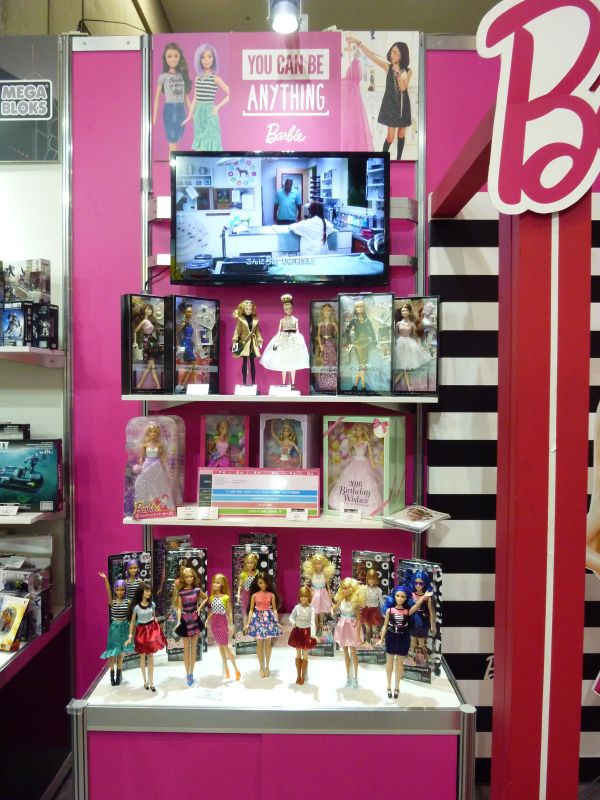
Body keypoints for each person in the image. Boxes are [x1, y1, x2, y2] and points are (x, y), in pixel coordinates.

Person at [347, 37, 412, 160]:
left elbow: (403, 88)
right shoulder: (387, 67)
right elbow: (371, 56)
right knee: (390, 137)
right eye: (391, 52)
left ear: (402, 55)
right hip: (391, 106)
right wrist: (359, 43)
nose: (392, 54)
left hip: (403, 105)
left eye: (395, 52)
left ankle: (398, 159)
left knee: (401, 133)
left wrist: (398, 72)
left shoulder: (408, 71)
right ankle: (383, 158)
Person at [379, 585, 432, 698]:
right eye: (397, 596)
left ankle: (397, 687)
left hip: (403, 637)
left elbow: (416, 605)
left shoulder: (407, 611)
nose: (399, 598)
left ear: (406, 598)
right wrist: (381, 639)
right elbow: (384, 625)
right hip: (391, 637)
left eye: (402, 597)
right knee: (389, 663)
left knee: (399, 664)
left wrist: (424, 597)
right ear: (394, 596)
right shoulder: (389, 611)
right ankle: (388, 686)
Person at [184, 44, 229, 151]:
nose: (206, 60)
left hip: (210, 113)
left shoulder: (216, 79)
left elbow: (231, 93)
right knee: (200, 145)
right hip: (198, 114)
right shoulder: (198, 78)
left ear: (214, 59)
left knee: (211, 145)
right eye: (203, 57)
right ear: (199, 60)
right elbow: (195, 98)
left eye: (209, 56)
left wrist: (218, 107)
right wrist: (190, 115)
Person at [260, 294, 309, 388]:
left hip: (293, 340)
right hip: (284, 340)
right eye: (286, 309)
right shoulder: (282, 320)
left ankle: (293, 384)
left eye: (289, 308)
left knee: (293, 362)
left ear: (292, 309)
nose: (288, 310)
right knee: (283, 362)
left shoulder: (295, 319)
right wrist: (277, 340)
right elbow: (279, 331)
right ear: (284, 310)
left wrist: (298, 339)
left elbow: (297, 330)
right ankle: (283, 383)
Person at [125, 581, 167, 692]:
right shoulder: (136, 608)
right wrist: (130, 636)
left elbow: (154, 617)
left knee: (151, 657)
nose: (149, 593)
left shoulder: (152, 604)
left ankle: (152, 682)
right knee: (142, 656)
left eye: (150, 591)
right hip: (141, 632)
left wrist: (158, 624)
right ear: (141, 592)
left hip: (151, 631)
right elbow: (132, 622)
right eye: (147, 591)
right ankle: (145, 681)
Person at [153, 42, 192, 158]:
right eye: (169, 56)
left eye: (175, 56)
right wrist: (154, 117)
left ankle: (173, 164)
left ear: (180, 57)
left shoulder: (181, 76)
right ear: (165, 58)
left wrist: (192, 113)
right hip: (170, 110)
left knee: (177, 141)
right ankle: (172, 166)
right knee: (172, 143)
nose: (173, 59)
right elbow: (157, 97)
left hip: (181, 110)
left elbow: (185, 97)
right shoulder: (163, 77)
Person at [99, 572, 135, 686]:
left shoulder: (128, 602)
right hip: (114, 627)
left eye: (122, 589)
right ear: (115, 590)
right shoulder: (112, 601)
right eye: (118, 590)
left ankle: (119, 674)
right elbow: (108, 590)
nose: (120, 592)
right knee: (112, 652)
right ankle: (112, 674)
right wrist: (105, 579)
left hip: (124, 627)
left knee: (121, 652)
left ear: (125, 590)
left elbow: (132, 617)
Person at [244, 571, 281, 678]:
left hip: (268, 620)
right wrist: (248, 623)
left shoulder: (271, 595)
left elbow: (274, 609)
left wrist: (276, 621)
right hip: (257, 620)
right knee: (259, 644)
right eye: (260, 583)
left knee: (268, 644)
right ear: (257, 583)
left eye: (265, 582)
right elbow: (251, 610)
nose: (263, 585)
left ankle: (267, 666)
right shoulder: (254, 596)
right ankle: (261, 667)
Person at [332, 577, 367, 688]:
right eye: (342, 588)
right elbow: (333, 608)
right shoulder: (341, 601)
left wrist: (358, 635)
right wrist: (332, 611)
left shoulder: (354, 602)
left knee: (353, 653)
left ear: (352, 589)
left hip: (352, 628)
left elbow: (358, 620)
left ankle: (356, 677)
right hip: (342, 628)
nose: (344, 590)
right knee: (345, 653)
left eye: (346, 588)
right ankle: (348, 677)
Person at [175, 566, 207, 686]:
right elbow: (179, 608)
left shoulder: (197, 590)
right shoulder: (181, 592)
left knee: (193, 649)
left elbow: (206, 598)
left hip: (195, 620)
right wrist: (178, 621)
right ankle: (187, 673)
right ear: (183, 578)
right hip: (184, 620)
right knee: (186, 649)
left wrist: (199, 608)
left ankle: (191, 673)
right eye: (187, 577)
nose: (189, 579)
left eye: (191, 576)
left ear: (194, 577)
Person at [206, 574, 241, 681]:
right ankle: (226, 669)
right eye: (214, 582)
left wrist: (230, 624)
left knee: (225, 647)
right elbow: (213, 611)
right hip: (214, 623)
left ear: (222, 584)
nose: (215, 584)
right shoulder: (211, 597)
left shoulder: (226, 597)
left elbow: (229, 611)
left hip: (222, 622)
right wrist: (207, 620)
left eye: (217, 582)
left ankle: (236, 670)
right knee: (220, 646)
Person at [288, 586, 317, 685]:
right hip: (298, 632)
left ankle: (303, 675)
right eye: (301, 596)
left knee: (305, 654)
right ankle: (298, 675)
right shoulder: (297, 607)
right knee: (297, 653)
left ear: (309, 597)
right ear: (299, 597)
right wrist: (293, 622)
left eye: (305, 596)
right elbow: (291, 617)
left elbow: (313, 622)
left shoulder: (311, 609)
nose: (303, 599)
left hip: (306, 633)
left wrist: (312, 635)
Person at [231, 299, 263, 387]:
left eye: (250, 309)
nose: (248, 311)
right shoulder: (241, 319)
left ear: (252, 310)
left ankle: (253, 383)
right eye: (247, 309)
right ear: (244, 309)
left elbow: (257, 331)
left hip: (252, 343)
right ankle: (244, 382)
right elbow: (237, 331)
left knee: (252, 362)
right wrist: (235, 339)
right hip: (244, 342)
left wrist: (259, 339)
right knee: (244, 362)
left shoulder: (255, 319)